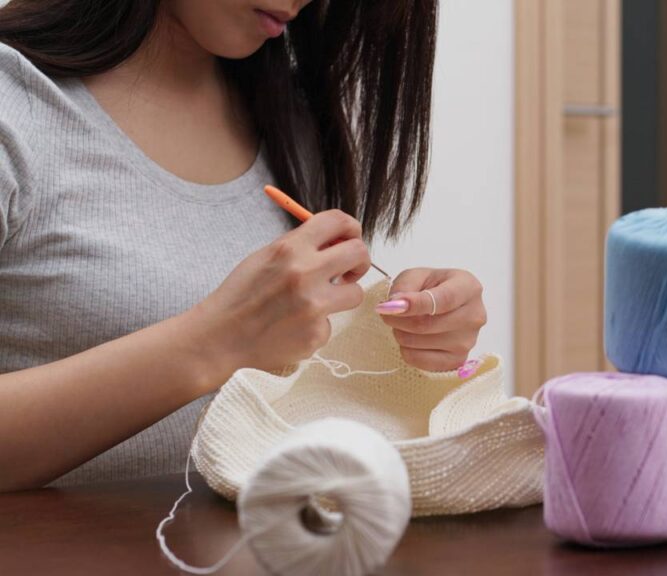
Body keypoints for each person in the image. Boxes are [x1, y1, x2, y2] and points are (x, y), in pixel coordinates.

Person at [0, 0, 487, 490]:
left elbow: (292, 392)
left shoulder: (290, 124)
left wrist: (411, 344)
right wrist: (214, 343)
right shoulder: (14, 101)